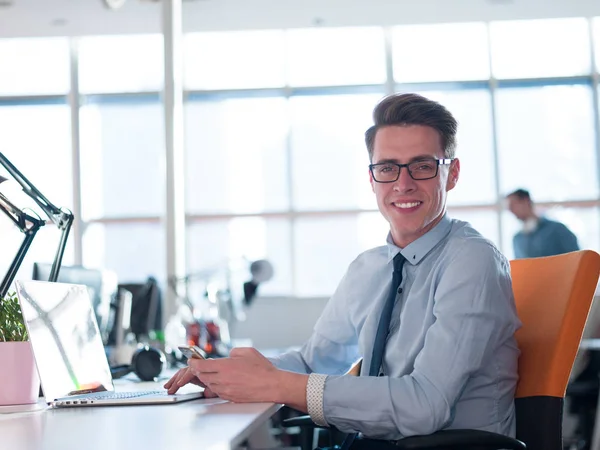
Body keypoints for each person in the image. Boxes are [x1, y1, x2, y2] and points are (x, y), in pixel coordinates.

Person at [165, 93, 521, 444]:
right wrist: (226, 374)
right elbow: (313, 361)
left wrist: (276, 384)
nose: (403, 183)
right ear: (372, 179)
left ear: (452, 174)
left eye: (423, 166)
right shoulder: (368, 268)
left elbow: (425, 405)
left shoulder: (472, 261)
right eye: (387, 168)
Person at [505, 188, 579, 258]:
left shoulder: (557, 229)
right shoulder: (517, 239)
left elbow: (577, 259)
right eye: (509, 207)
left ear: (526, 201)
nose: (511, 210)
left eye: (513, 205)